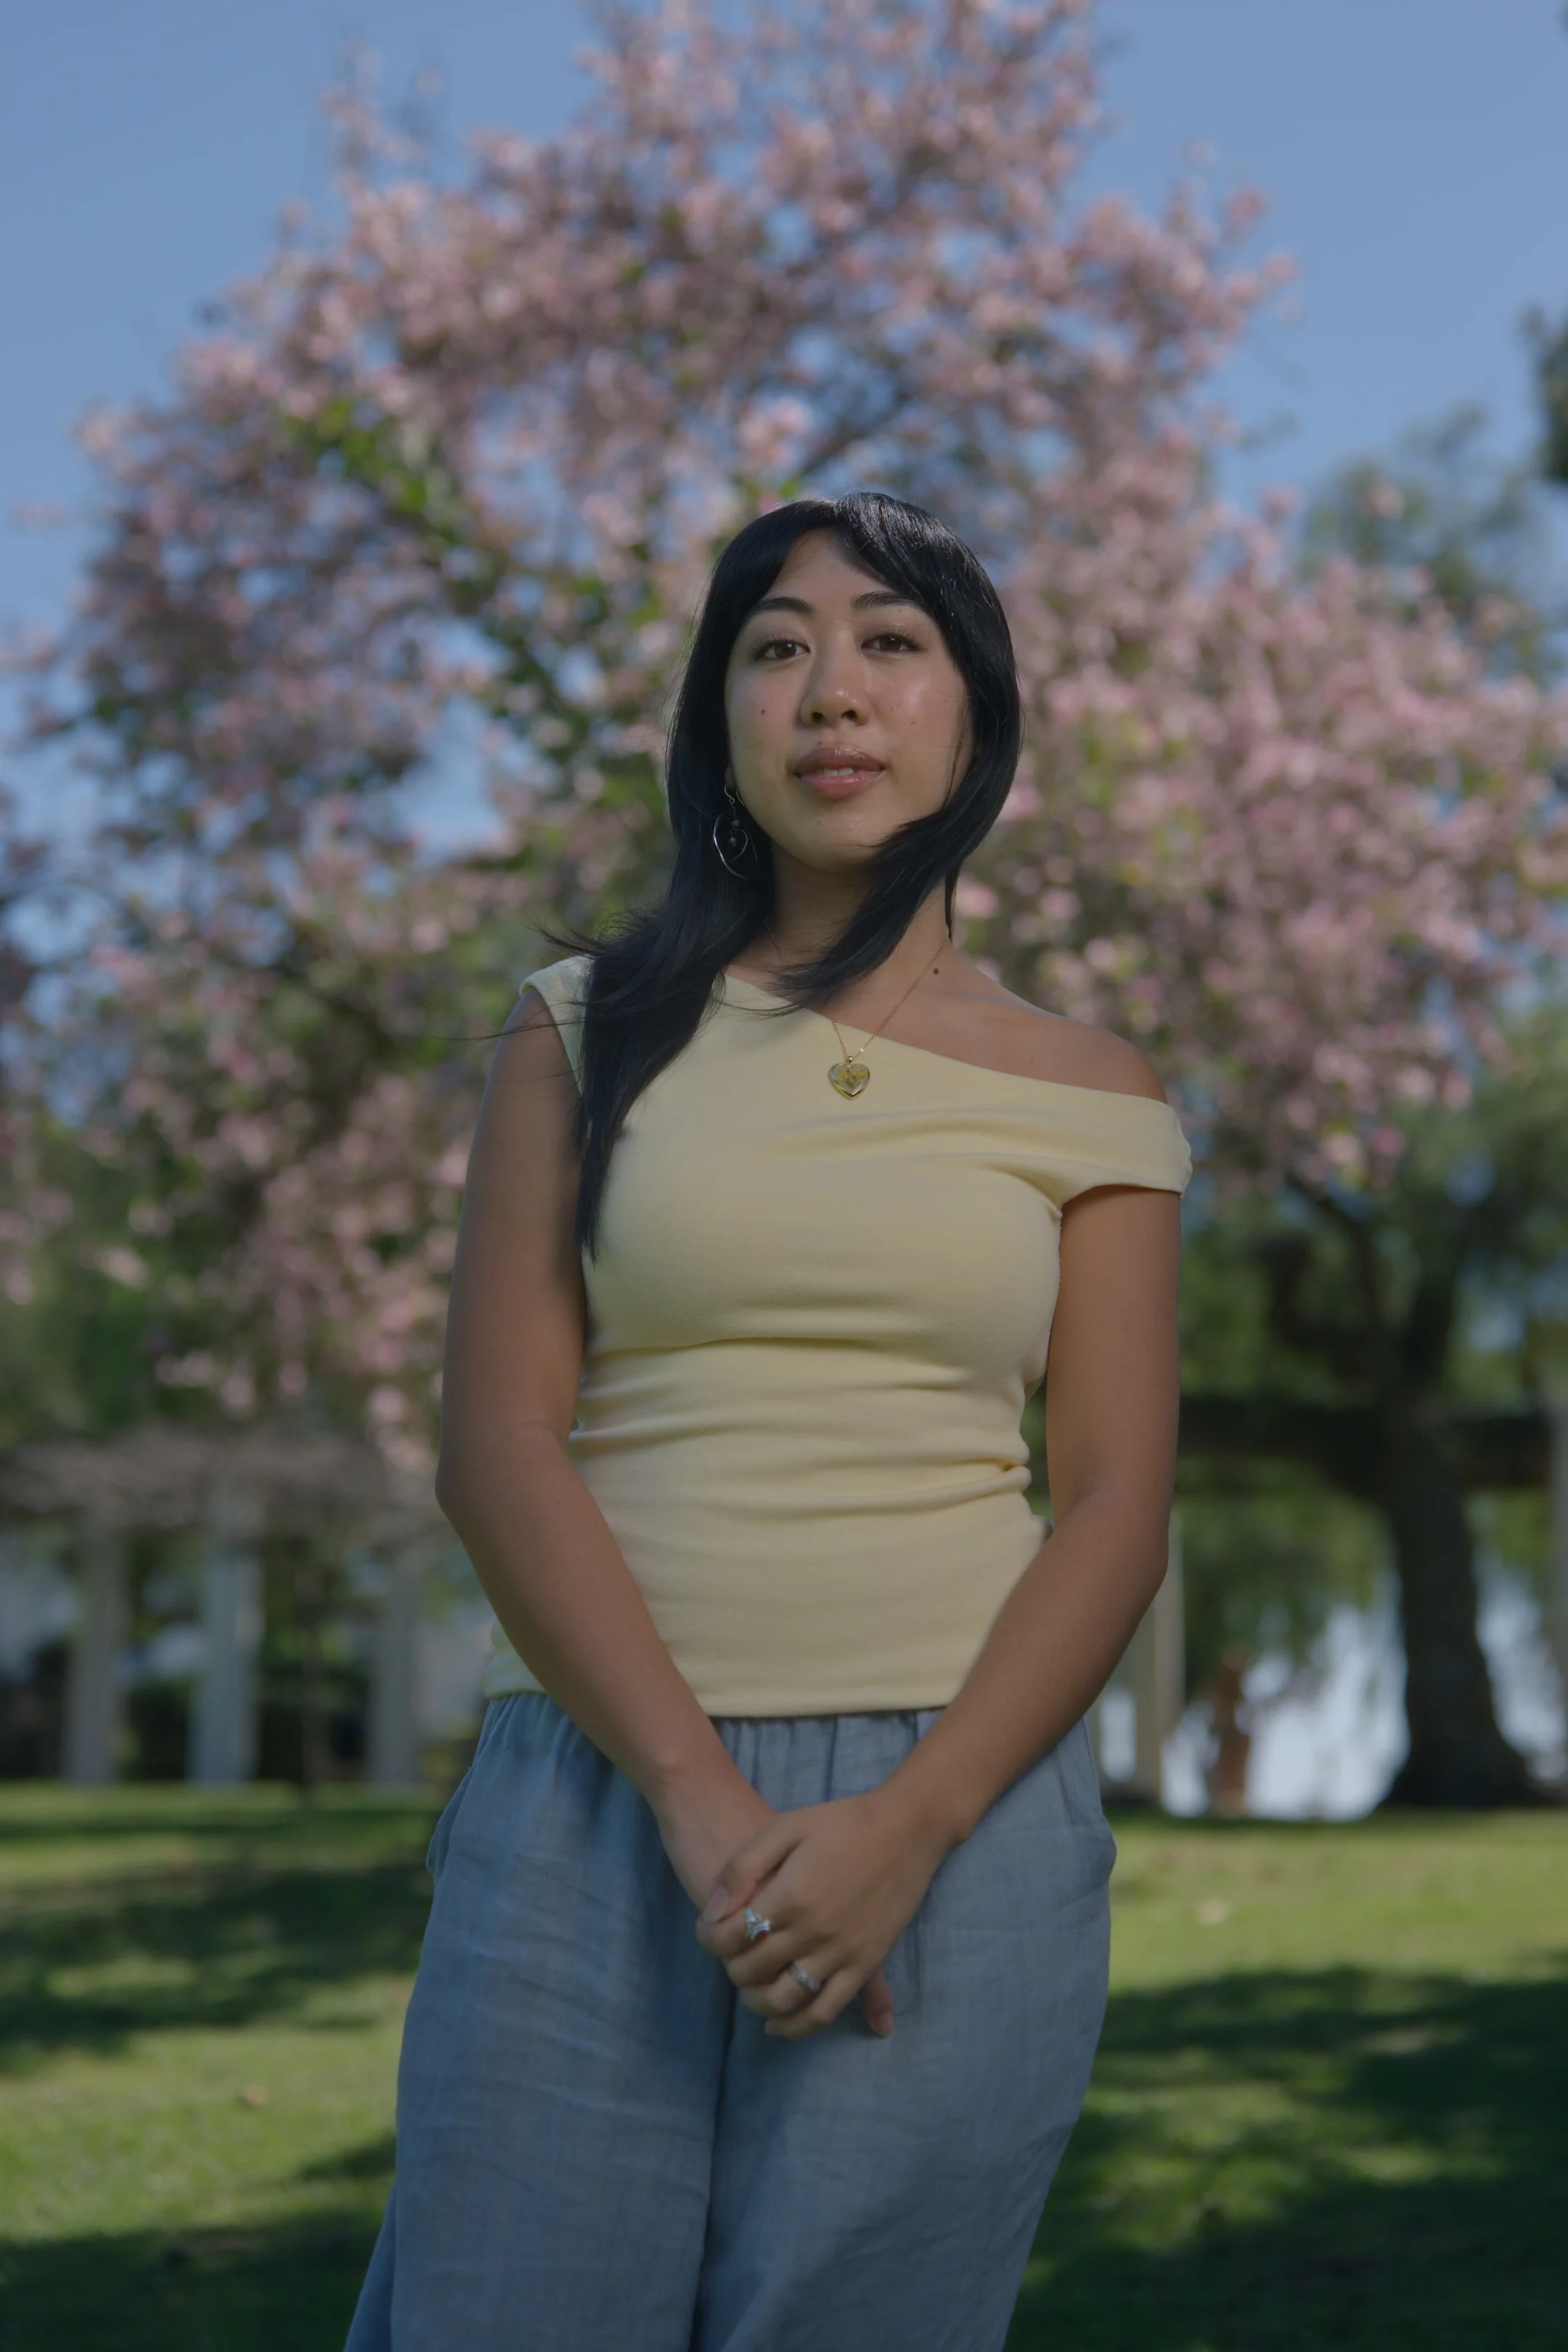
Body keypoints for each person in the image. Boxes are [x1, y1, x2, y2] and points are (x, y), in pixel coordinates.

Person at [346, 491, 1191, 2352]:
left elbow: (1119, 1501)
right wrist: (691, 1791)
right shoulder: (581, 1026)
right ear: (721, 717)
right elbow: (496, 1445)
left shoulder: (1096, 1093)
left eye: (892, 643)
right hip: (595, 1791)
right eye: (777, 645)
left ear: (975, 715)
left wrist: (911, 1825)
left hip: (960, 1814)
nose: (833, 689)